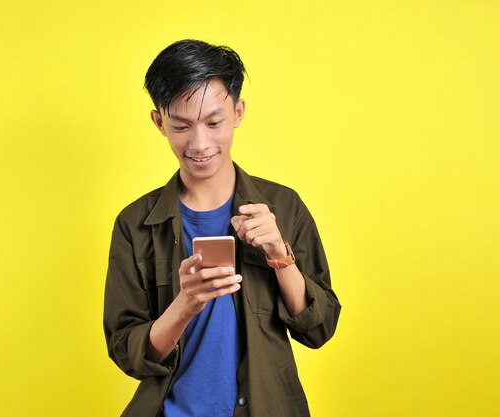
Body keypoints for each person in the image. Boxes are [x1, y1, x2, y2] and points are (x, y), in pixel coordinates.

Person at [103, 39, 341, 417]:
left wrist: (281, 258)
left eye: (214, 122)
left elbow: (320, 327)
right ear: (158, 122)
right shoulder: (135, 224)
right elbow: (127, 351)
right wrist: (184, 305)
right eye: (181, 126)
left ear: (239, 112)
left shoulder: (284, 206)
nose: (200, 143)